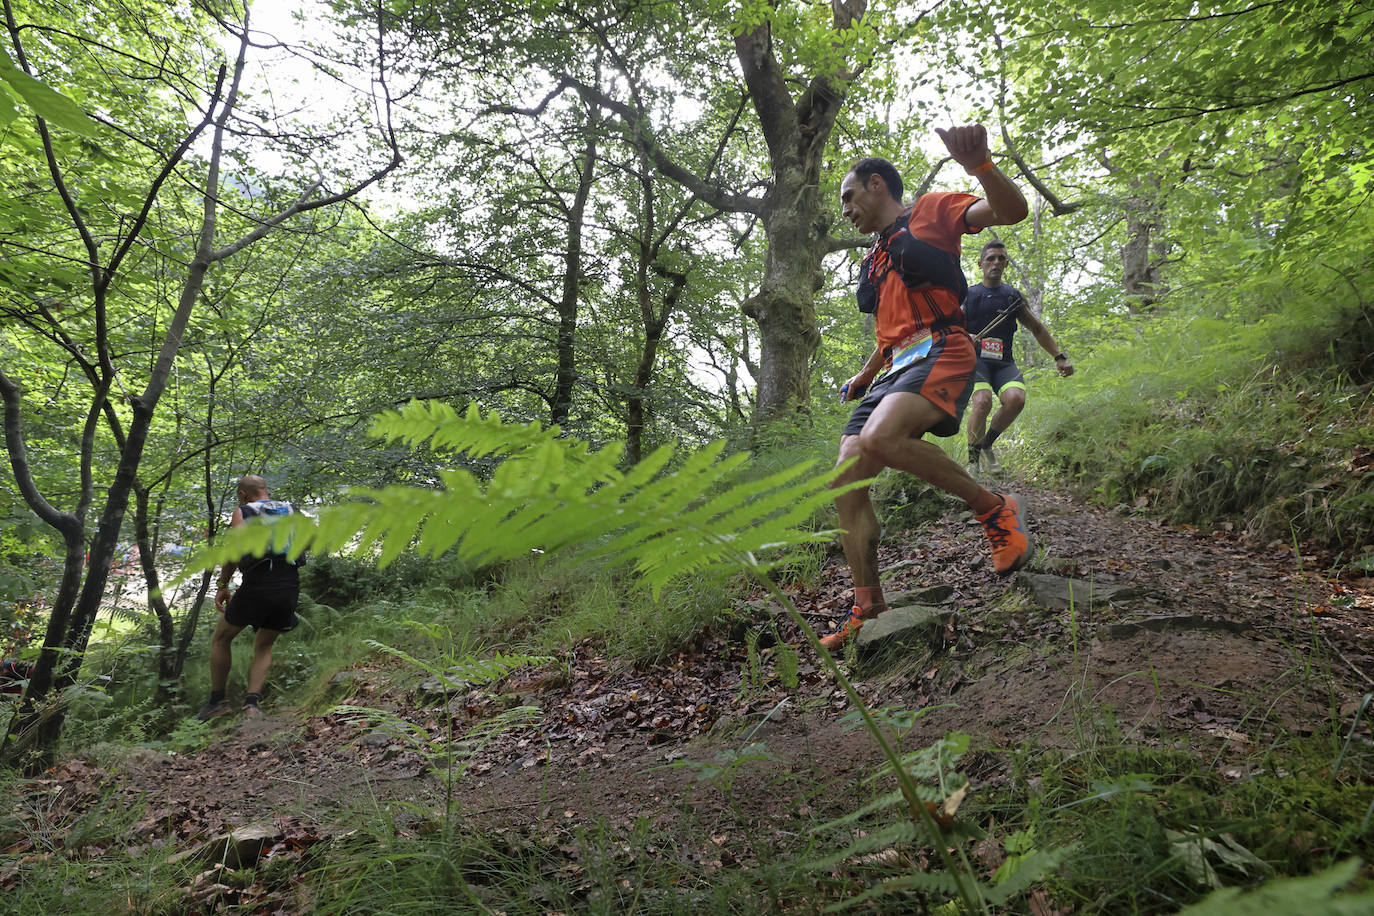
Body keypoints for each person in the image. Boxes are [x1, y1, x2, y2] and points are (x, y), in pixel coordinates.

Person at [824, 124, 1032, 652]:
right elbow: (892, 328)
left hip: (944, 346)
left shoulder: (931, 210)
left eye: (848, 196)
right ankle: (866, 604)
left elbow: (1011, 213)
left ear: (876, 185)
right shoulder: (874, 256)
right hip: (895, 365)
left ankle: (993, 509)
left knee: (880, 440)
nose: (844, 209)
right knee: (845, 477)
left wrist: (981, 167)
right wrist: (868, 373)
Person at [197, 475, 303, 720]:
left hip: (258, 584)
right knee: (264, 645)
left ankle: (217, 702)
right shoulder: (292, 510)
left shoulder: (244, 512)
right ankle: (252, 705)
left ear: (243, 494)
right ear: (266, 490)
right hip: (288, 584)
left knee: (221, 638)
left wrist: (223, 584)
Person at [964, 241, 1074, 474]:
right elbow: (946, 326)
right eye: (991, 258)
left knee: (1016, 400)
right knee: (982, 402)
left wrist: (1059, 357)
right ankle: (973, 463)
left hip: (1003, 362)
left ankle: (986, 445)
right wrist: (965, 334)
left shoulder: (1012, 296)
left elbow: (1038, 329)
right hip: (976, 362)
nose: (995, 263)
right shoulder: (969, 294)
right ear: (980, 263)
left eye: (1000, 259)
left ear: (1005, 264)